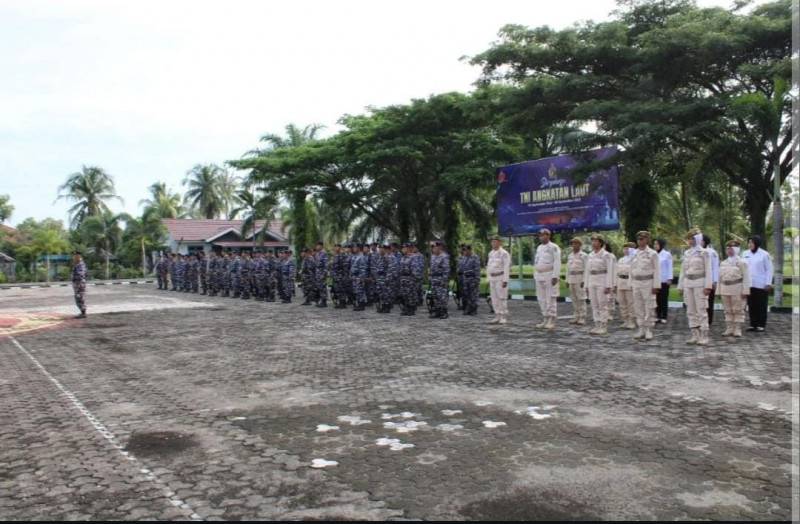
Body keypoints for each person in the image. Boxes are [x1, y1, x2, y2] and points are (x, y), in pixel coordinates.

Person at [677, 227, 713, 346]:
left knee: (701, 310)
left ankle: (704, 335)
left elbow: (709, 270)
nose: (690, 241)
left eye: (693, 238)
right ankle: (694, 334)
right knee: (690, 310)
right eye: (689, 239)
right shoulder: (687, 253)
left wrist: (708, 285)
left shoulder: (704, 252)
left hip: (700, 283)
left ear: (698, 239)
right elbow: (683, 271)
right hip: (688, 283)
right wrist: (681, 286)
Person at [630, 231, 661, 341]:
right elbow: (631, 269)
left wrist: (656, 285)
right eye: (638, 239)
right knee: (638, 307)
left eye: (642, 239)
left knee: (649, 306)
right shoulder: (634, 253)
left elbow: (657, 270)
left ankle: (648, 329)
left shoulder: (652, 253)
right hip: (636, 282)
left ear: (647, 240)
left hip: (648, 282)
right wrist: (631, 283)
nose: (640, 241)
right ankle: (641, 328)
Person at [717, 237, 750, 338]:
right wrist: (718, 291)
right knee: (728, 310)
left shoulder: (742, 263)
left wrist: (745, 291)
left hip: (737, 288)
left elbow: (746, 278)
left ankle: (737, 328)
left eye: (731, 249)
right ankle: (729, 328)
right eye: (728, 249)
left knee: (738, 309)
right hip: (725, 288)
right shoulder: (723, 263)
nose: (729, 251)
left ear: (736, 250)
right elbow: (719, 278)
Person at [741, 234, 773, 332]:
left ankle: (760, 324)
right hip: (749, 284)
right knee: (751, 305)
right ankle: (753, 324)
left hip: (761, 284)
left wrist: (768, 283)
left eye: (752, 242)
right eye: (749, 242)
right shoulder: (745, 253)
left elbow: (769, 269)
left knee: (761, 304)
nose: (750, 244)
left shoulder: (764, 254)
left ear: (757, 243)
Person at [584, 234, 614, 335]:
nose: (593, 243)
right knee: (594, 304)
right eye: (592, 241)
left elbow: (610, 271)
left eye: (596, 241)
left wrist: (608, 285)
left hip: (602, 279)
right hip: (592, 279)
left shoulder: (606, 255)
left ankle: (603, 325)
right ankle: (597, 324)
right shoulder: (590, 255)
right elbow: (587, 271)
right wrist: (586, 284)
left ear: (601, 243)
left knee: (602, 303)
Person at [533, 229, 561, 330]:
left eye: (543, 235)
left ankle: (551, 319)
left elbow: (557, 262)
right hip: (539, 275)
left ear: (548, 236)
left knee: (550, 298)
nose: (541, 237)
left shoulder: (553, 247)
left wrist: (555, 276)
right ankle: (545, 317)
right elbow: (536, 263)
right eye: (540, 235)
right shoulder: (539, 247)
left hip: (549, 275)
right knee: (541, 298)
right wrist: (534, 276)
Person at [487, 235, 510, 324]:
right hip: (493, 277)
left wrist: (505, 280)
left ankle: (503, 316)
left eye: (495, 241)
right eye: (492, 241)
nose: (493, 243)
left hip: (500, 277)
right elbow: (489, 266)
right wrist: (488, 278)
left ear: (499, 242)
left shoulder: (504, 253)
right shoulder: (491, 253)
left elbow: (506, 267)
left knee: (501, 297)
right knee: (494, 297)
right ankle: (497, 315)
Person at [566, 238, 588, 325]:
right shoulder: (570, 256)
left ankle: (582, 317)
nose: (574, 245)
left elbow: (587, 269)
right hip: (571, 278)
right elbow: (568, 269)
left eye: (576, 243)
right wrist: (567, 280)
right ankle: (576, 316)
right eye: (573, 244)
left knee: (581, 298)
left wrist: (584, 280)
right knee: (574, 299)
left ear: (580, 245)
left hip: (580, 278)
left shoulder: (584, 255)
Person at [615, 242, 636, 330]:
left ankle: (632, 321)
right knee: (622, 302)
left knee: (630, 302)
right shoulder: (621, 260)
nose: (625, 250)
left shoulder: (634, 260)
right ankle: (625, 320)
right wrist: (615, 284)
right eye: (624, 248)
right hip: (620, 281)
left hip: (629, 282)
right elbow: (616, 272)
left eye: (627, 248)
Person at [428, 241, 450, 319]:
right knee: (435, 296)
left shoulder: (444, 256)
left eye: (435, 247)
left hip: (440, 279)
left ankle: (444, 312)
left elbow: (446, 270)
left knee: (442, 297)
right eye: (433, 247)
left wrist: (444, 280)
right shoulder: (433, 256)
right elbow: (431, 268)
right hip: (434, 279)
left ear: (439, 248)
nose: (433, 249)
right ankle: (437, 311)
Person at [702, 235, 720, 325]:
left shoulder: (712, 252)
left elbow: (715, 268)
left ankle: (709, 319)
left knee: (709, 302)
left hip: (709, 281)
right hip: (699, 281)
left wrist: (715, 281)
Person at [461, 245, 481, 316]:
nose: (464, 251)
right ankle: (469, 308)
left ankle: (474, 309)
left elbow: (477, 269)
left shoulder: (475, 257)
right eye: (463, 250)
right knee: (467, 294)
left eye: (465, 250)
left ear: (469, 250)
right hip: (465, 279)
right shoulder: (463, 257)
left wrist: (477, 279)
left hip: (472, 279)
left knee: (474, 295)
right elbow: (462, 267)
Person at [350, 243, 367, 311]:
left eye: (355, 247)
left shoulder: (361, 257)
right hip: (354, 277)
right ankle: (359, 303)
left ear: (359, 248)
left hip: (359, 277)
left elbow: (362, 268)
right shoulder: (354, 256)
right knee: (356, 291)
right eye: (353, 247)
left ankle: (361, 305)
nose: (354, 249)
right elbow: (352, 267)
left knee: (360, 291)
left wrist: (361, 277)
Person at [71, 250, 87, 319]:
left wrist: (77, 283)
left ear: (79, 256)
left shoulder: (80, 264)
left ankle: (83, 313)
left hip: (79, 283)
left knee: (80, 297)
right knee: (78, 297)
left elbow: (81, 275)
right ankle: (82, 312)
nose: (73, 257)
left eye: (75, 256)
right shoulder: (77, 264)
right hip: (77, 283)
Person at [315, 241, 329, 307]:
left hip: (322, 273)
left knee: (323, 287)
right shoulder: (317, 254)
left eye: (318, 245)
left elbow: (326, 265)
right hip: (317, 273)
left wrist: (324, 274)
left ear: (321, 246)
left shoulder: (324, 253)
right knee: (319, 287)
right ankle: (321, 300)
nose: (316, 246)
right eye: (316, 245)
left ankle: (324, 301)